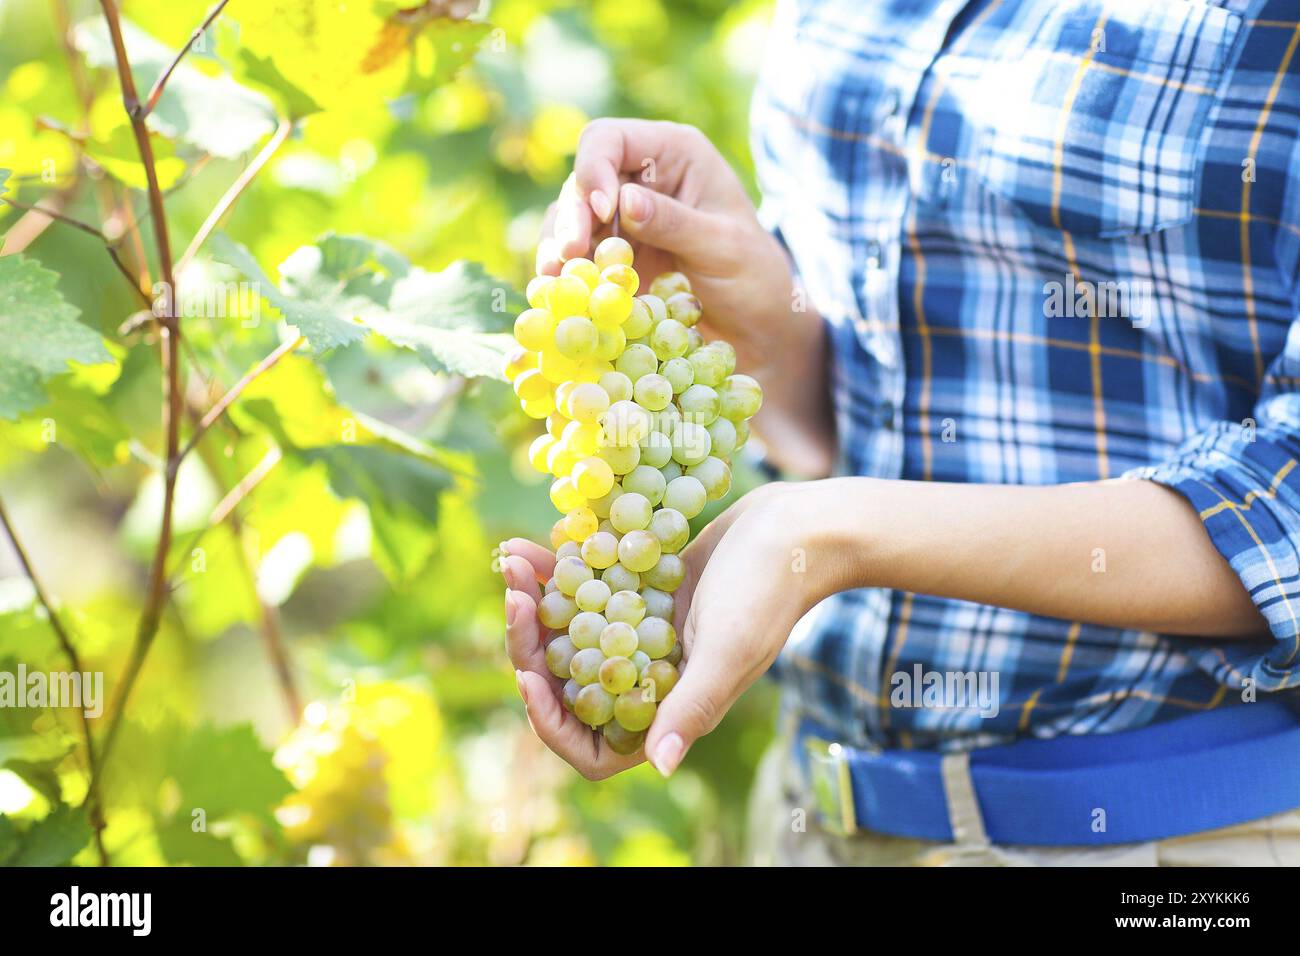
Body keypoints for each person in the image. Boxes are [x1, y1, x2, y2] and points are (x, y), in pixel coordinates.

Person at [501, 0, 1300, 865]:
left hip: (1172, 841)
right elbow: (892, 407)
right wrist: (776, 340)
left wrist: (838, 533)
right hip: (821, 820)